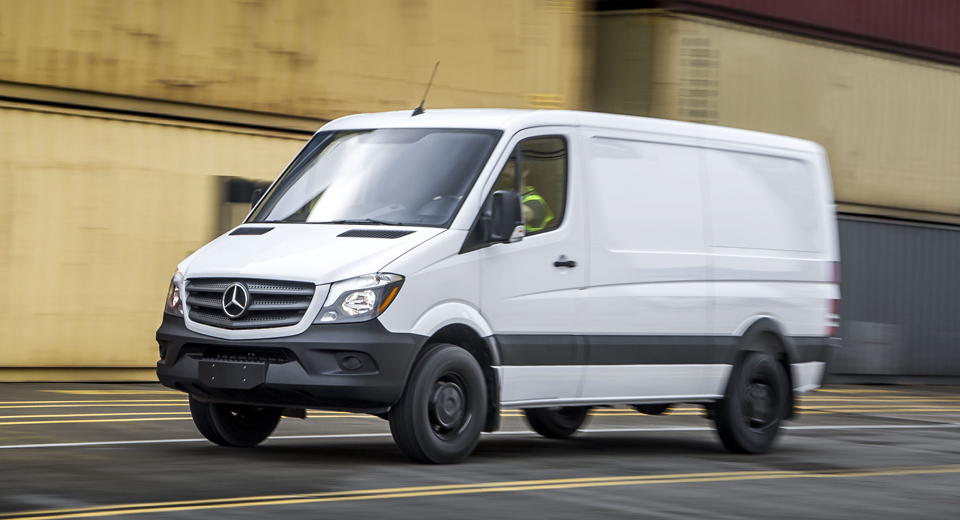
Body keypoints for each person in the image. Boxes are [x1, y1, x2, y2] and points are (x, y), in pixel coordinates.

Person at [519, 160, 554, 232]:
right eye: (504, 167)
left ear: (525, 171)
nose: (505, 171)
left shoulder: (535, 201)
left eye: (511, 167)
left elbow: (520, 214)